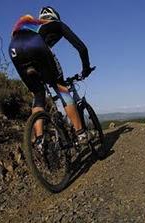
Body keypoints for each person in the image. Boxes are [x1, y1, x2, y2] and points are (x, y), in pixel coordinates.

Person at [9, 6, 94, 146]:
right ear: (55, 16)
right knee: (61, 89)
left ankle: (40, 141)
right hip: (36, 47)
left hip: (14, 49)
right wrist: (86, 69)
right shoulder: (56, 24)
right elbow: (81, 47)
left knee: (38, 93)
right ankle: (81, 133)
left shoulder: (31, 24)